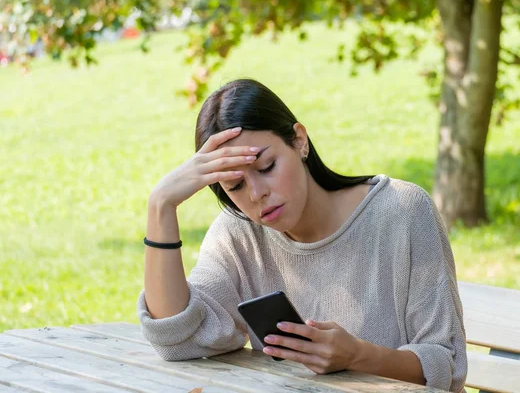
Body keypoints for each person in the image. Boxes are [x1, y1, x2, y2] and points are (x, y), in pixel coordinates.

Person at [137, 79, 467, 392]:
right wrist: (161, 207)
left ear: (299, 140)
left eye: (266, 167)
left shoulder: (402, 212)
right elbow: (177, 339)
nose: (256, 194)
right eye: (235, 185)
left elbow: (445, 365)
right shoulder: (239, 235)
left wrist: (356, 356)